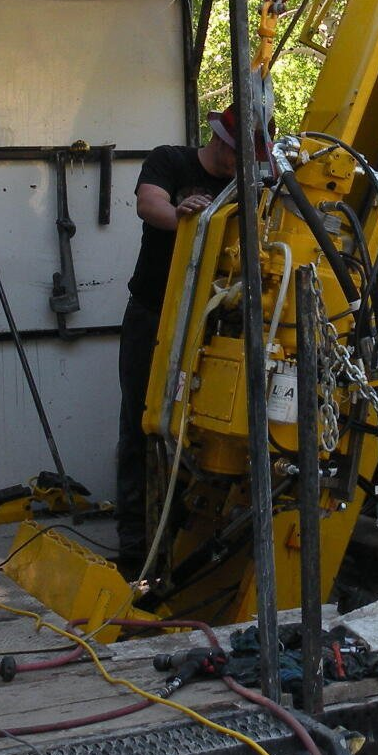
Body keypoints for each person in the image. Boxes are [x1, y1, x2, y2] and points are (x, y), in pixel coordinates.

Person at [115, 106, 243, 569]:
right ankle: (135, 544)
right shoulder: (169, 161)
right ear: (219, 142)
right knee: (140, 424)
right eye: (236, 152)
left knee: (202, 428)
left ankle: (190, 538)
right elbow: (149, 204)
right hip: (152, 315)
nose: (240, 162)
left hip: (210, 323)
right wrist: (185, 217)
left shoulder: (250, 181)